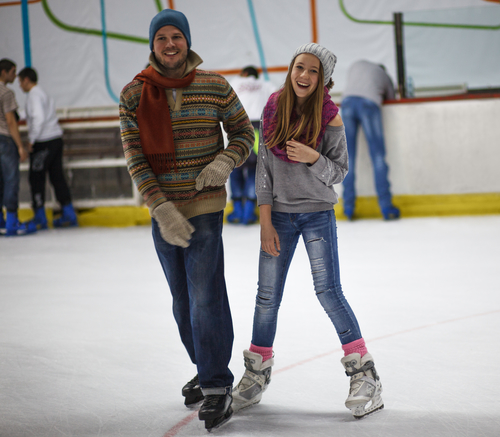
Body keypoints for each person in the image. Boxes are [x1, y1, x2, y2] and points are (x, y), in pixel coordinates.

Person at [231, 43, 384, 419]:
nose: (304, 75)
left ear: (323, 79)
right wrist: (265, 221)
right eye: (300, 67)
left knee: (328, 292)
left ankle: (365, 375)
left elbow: (340, 172)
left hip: (316, 213)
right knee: (266, 297)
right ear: (291, 69)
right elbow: (263, 172)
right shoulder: (272, 109)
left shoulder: (331, 118)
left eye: (313, 71)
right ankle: (256, 372)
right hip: (279, 215)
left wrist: (314, 158)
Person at [119, 9, 254, 431]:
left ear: (188, 41)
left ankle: (216, 386)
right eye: (162, 38)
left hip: (205, 210)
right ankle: (206, 364)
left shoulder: (214, 84)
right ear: (152, 45)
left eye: (177, 36)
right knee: (183, 302)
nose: (170, 44)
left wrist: (224, 163)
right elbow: (134, 156)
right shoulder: (133, 94)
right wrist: (159, 207)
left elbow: (245, 133)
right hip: (165, 215)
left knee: (205, 298)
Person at [17, 67, 78, 229]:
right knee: (57, 176)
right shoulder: (42, 93)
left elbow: (38, 117)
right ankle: (68, 213)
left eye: (20, 82)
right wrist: (17, 114)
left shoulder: (33, 96)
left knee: (36, 177)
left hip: (43, 142)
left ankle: (40, 217)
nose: (19, 86)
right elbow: (35, 114)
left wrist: (31, 140)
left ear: (26, 80)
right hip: (55, 139)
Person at [341, 60, 400, 220]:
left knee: (348, 159)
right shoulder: (385, 77)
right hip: (368, 104)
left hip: (346, 103)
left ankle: (348, 207)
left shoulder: (357, 64)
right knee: (378, 156)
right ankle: (386, 207)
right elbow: (391, 100)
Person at [227, 66, 275, 225]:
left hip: (237, 126)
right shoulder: (265, 84)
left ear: (244, 73)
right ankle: (248, 211)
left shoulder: (235, 82)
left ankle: (237, 210)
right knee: (255, 167)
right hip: (258, 128)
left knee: (235, 166)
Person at [0, 58, 36, 236]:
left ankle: (1, 221)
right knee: (11, 180)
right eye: (13, 72)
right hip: (5, 140)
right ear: (4, 72)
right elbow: (10, 121)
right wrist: (20, 147)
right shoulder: (6, 92)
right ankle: (12, 221)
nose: (15, 76)